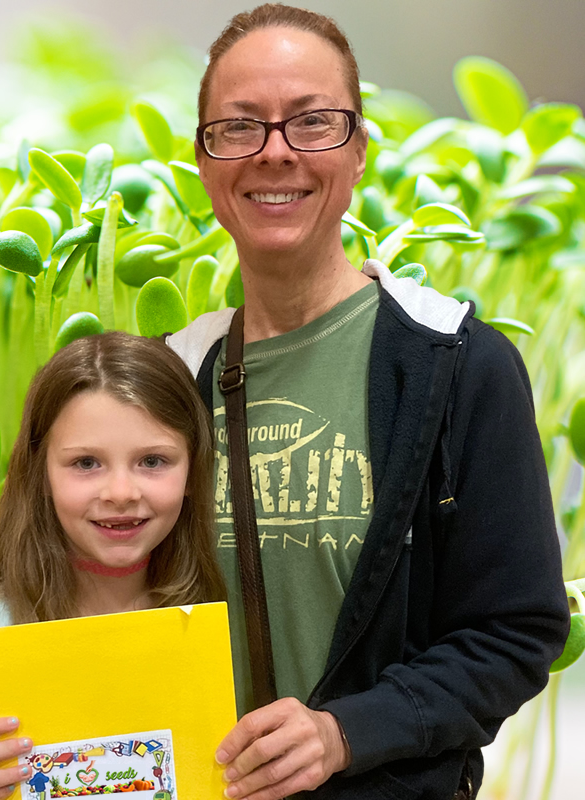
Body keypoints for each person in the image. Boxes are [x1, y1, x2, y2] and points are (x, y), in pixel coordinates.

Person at [161, 4, 570, 800]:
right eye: (240, 127)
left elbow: (516, 630)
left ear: (357, 155)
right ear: (207, 166)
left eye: (312, 122)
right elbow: (67, 567)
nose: (275, 153)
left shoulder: (456, 366)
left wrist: (345, 733)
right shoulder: (174, 376)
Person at [0, 331, 226, 799]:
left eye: (153, 460)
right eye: (86, 463)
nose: (121, 492)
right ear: (41, 473)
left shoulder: (215, 622)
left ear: (194, 470)